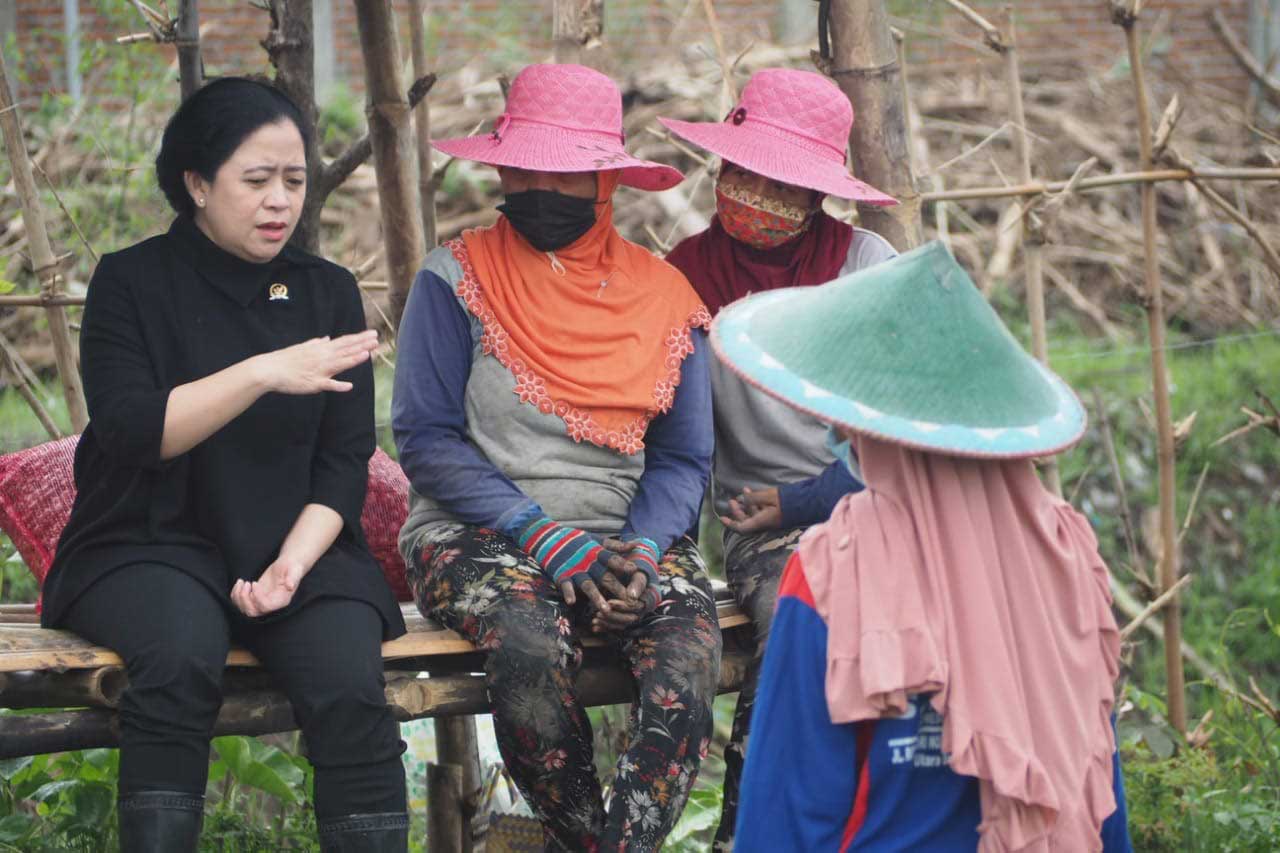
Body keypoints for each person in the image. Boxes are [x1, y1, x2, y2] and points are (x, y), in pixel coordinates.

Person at [41, 78, 409, 852]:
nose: (280, 201)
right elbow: (135, 431)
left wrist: (292, 566)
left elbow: (345, 460)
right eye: (256, 180)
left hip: (293, 541)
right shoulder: (131, 282)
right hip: (149, 538)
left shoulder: (327, 291)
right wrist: (263, 371)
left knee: (350, 681)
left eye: (295, 180)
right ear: (198, 184)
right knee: (178, 659)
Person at [392, 64, 721, 852]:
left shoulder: (665, 295)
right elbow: (425, 439)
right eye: (524, 166)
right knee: (530, 643)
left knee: (689, 649)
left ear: (606, 181)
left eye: (566, 170)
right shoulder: (453, 278)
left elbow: (682, 458)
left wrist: (642, 551)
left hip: (622, 533)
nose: (539, 185)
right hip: (476, 533)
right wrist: (542, 535)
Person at [711, 241, 1132, 851]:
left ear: (865, 422)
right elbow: (1101, 790)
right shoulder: (1065, 551)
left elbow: (787, 812)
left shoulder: (837, 569)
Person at [657, 66, 899, 847]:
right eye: (742, 174)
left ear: (818, 195)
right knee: (797, 622)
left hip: (884, 503)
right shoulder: (684, 277)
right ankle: (751, 829)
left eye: (780, 183)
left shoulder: (866, 268)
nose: (755, 195)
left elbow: (896, 426)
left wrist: (807, 500)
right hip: (762, 527)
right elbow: (675, 437)